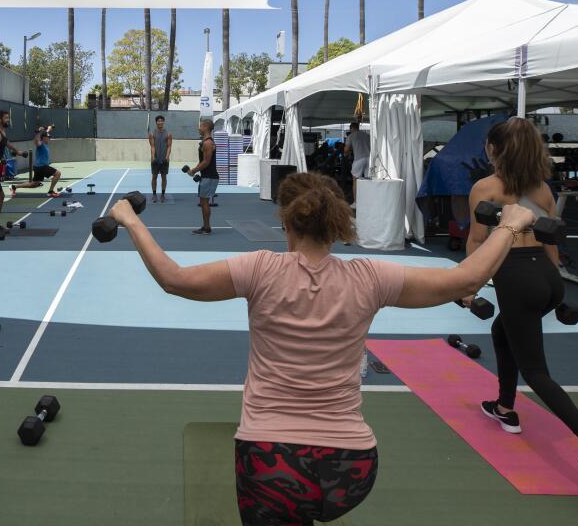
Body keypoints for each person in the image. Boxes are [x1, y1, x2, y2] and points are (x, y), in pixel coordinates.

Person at [107, 172, 538, 525]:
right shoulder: (369, 277)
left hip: (270, 460)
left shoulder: (259, 269)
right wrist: (510, 225)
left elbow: (175, 279)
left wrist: (130, 219)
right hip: (350, 469)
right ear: (336, 221)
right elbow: (464, 281)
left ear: (286, 221)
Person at [467, 117, 578, 503]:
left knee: (537, 372)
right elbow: (552, 244)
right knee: (502, 331)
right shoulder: (542, 189)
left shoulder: (485, 188)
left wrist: (467, 289)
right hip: (546, 276)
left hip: (516, 278)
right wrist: (553, 295)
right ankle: (505, 407)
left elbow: (476, 242)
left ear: (494, 149)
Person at [186, 118, 218, 235]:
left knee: (204, 202)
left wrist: (193, 170)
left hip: (209, 176)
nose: (198, 128)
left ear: (205, 127)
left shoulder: (207, 143)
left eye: (200, 126)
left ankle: (207, 227)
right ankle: (206, 226)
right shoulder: (206, 142)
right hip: (207, 176)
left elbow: (206, 162)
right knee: (203, 201)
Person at [11, 126, 61, 197]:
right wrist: (37, 133)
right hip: (42, 166)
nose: (49, 138)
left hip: (38, 167)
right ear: (43, 138)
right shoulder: (41, 144)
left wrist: (49, 129)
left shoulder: (45, 143)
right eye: (48, 137)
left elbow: (45, 133)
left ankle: (14, 187)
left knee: (34, 184)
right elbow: (36, 141)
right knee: (57, 174)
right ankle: (50, 191)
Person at [148, 115, 173, 203]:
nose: (160, 122)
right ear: (156, 122)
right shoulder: (151, 133)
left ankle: (162, 195)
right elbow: (152, 146)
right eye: (158, 121)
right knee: (154, 177)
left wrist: (167, 157)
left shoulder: (168, 134)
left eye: (161, 121)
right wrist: (153, 157)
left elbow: (169, 146)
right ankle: (154, 195)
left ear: (164, 122)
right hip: (155, 159)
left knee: (164, 177)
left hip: (164, 159)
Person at [344, 121, 370, 201]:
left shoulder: (351, 136)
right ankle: (367, 200)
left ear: (351, 128)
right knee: (368, 180)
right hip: (369, 159)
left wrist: (345, 154)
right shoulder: (367, 135)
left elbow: (346, 150)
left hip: (359, 159)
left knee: (355, 180)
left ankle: (356, 202)